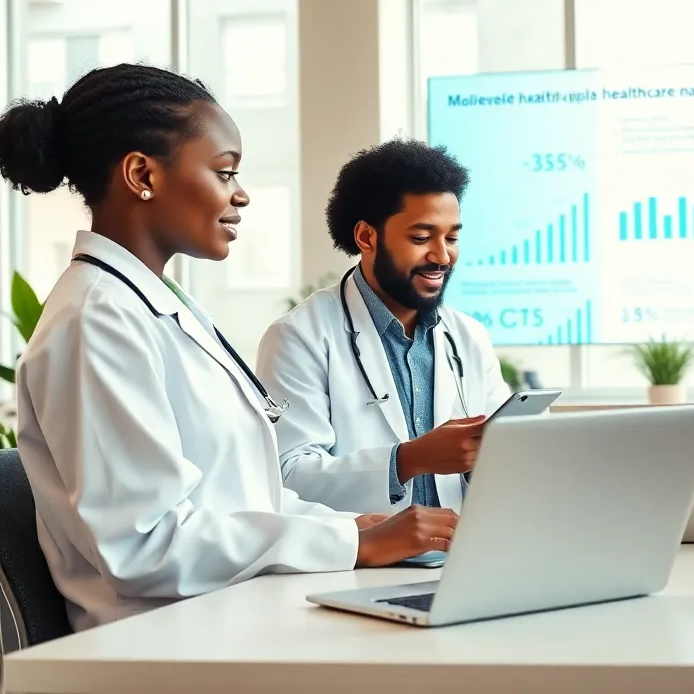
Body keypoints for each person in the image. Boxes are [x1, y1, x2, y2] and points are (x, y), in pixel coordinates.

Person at [3, 65, 461, 632]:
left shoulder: (153, 308)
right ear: (142, 174)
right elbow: (144, 545)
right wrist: (346, 541)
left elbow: (241, 498)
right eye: (224, 173)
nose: (241, 195)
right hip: (166, 644)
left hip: (233, 616)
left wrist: (357, 526)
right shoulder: (95, 322)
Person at [256, 139, 511, 515]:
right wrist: (407, 460)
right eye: (421, 238)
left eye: (452, 237)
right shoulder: (299, 336)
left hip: (462, 555)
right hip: (359, 565)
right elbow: (285, 475)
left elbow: (504, 457)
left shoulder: (467, 336)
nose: (442, 256)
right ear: (367, 237)